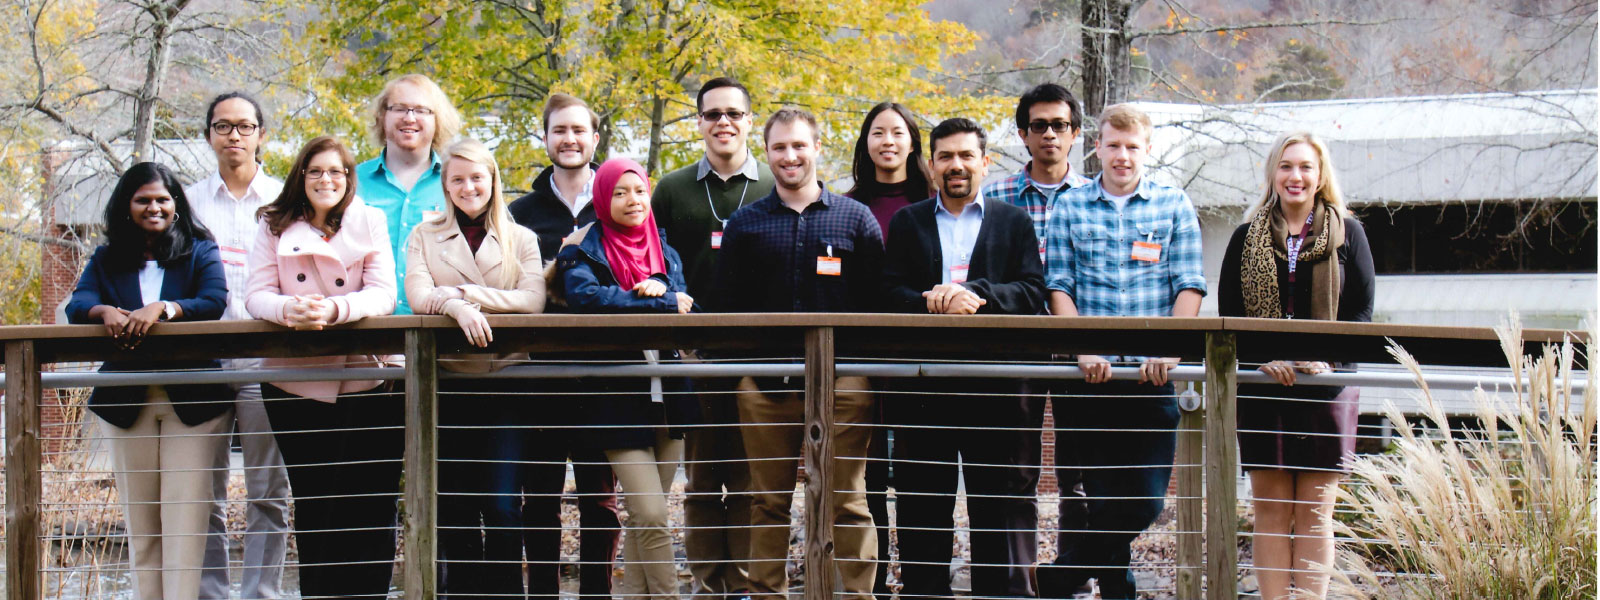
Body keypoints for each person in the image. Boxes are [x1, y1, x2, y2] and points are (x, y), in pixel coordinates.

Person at [714, 107, 884, 600]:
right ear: (767, 153)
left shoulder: (856, 219)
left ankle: (855, 596)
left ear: (817, 147)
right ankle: (767, 594)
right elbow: (726, 308)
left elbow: (875, 304)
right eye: (780, 147)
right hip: (765, 388)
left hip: (843, 385)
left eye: (799, 145)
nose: (790, 156)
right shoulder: (745, 224)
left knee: (847, 500)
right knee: (766, 502)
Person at [1040, 104, 1206, 600]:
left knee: (1146, 502)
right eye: (1113, 145)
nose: (1122, 156)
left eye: (1132, 147)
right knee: (1106, 500)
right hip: (1092, 378)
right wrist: (1082, 349)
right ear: (1097, 146)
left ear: (1147, 150)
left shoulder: (1173, 204)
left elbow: (1190, 284)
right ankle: (1118, 593)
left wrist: (1171, 350)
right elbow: (1059, 286)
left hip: (1152, 377)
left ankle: (1062, 574)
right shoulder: (1070, 206)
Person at [881, 118, 1046, 600]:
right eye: (946, 156)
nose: (956, 165)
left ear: (985, 162)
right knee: (921, 507)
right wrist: (932, 299)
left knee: (995, 510)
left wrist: (975, 294)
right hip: (922, 390)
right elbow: (889, 291)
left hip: (992, 390)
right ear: (931, 165)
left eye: (966, 156)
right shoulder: (908, 222)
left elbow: (1032, 291)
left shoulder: (1012, 221)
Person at [1218, 131, 1374, 600]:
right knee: (1269, 509)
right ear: (1273, 173)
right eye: (1286, 166)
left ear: (1321, 174)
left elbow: (1362, 315)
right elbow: (1229, 314)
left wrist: (1328, 358)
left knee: (1316, 511)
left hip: (1327, 389)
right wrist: (1264, 358)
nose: (1296, 176)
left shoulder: (1350, 233)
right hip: (1266, 386)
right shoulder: (1247, 236)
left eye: (1306, 166)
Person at [66, 162, 231, 600]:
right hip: (126, 400)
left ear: (176, 205)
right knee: (141, 527)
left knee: (185, 526)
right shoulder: (106, 257)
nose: (154, 207)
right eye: (143, 200)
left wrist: (164, 308)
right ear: (127, 206)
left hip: (194, 402)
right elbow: (78, 302)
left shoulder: (200, 249)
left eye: (162, 199)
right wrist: (103, 312)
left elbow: (213, 300)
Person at [246, 136, 402, 599]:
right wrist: (290, 310)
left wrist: (333, 311)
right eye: (315, 171)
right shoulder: (274, 224)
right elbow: (255, 294)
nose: (326, 180)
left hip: (368, 380)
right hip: (296, 382)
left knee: (371, 504)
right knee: (316, 503)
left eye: (336, 172)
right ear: (301, 176)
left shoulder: (370, 221)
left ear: (349, 179)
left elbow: (383, 293)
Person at [406, 138, 547, 598]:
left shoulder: (521, 237)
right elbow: (417, 295)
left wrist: (467, 298)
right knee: (456, 506)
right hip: (447, 384)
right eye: (458, 179)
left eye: (477, 178)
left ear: (493, 180)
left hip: (506, 384)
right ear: (445, 185)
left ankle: (505, 594)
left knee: (503, 503)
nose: (469, 187)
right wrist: (453, 307)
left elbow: (533, 301)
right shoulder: (423, 236)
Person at [556, 157, 701, 600]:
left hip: (670, 393)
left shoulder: (664, 249)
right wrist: (655, 300)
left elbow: (685, 306)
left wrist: (665, 293)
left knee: (644, 518)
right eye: (619, 192)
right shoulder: (580, 251)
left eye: (638, 190)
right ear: (602, 199)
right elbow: (588, 301)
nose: (632, 200)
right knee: (653, 514)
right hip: (617, 398)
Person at [651, 77, 772, 600]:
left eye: (733, 113)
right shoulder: (672, 188)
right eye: (712, 114)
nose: (723, 122)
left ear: (749, 121)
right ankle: (705, 584)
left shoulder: (773, 182)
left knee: (748, 482)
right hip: (692, 355)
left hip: (756, 356)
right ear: (698, 122)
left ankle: (742, 587)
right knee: (699, 482)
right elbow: (650, 265)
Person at [507, 92, 624, 600]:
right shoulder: (519, 212)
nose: (570, 139)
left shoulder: (622, 201)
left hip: (606, 371)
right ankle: (545, 595)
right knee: (540, 498)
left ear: (595, 139)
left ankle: (597, 593)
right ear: (546, 138)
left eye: (580, 130)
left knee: (601, 501)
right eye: (560, 131)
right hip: (541, 373)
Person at [982, 82, 1094, 597]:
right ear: (1024, 134)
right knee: (1017, 473)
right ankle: (1019, 586)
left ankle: (1068, 583)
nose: (1050, 134)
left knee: (1081, 474)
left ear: (1075, 133)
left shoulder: (1098, 197)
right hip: (1018, 350)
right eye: (1039, 125)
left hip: (1083, 349)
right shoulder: (995, 198)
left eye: (1060, 125)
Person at [185, 91, 292, 600]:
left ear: (261, 134)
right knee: (202, 491)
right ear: (209, 135)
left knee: (269, 489)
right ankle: (211, 593)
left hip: (264, 355)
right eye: (223, 126)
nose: (234, 135)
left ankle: (260, 595)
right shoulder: (186, 202)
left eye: (244, 126)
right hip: (202, 358)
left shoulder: (283, 202)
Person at [843, 100, 934, 600]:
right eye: (878, 133)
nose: (888, 142)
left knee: (922, 481)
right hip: (864, 357)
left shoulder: (936, 199)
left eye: (897, 132)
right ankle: (871, 586)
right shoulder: (848, 203)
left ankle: (922, 585)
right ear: (866, 143)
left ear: (913, 141)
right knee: (866, 478)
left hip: (921, 358)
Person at [356, 73, 463, 315]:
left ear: (438, 120)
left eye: (421, 110)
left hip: (437, 327)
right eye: (399, 109)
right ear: (383, 116)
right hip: (365, 331)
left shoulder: (459, 183)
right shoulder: (351, 182)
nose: (410, 118)